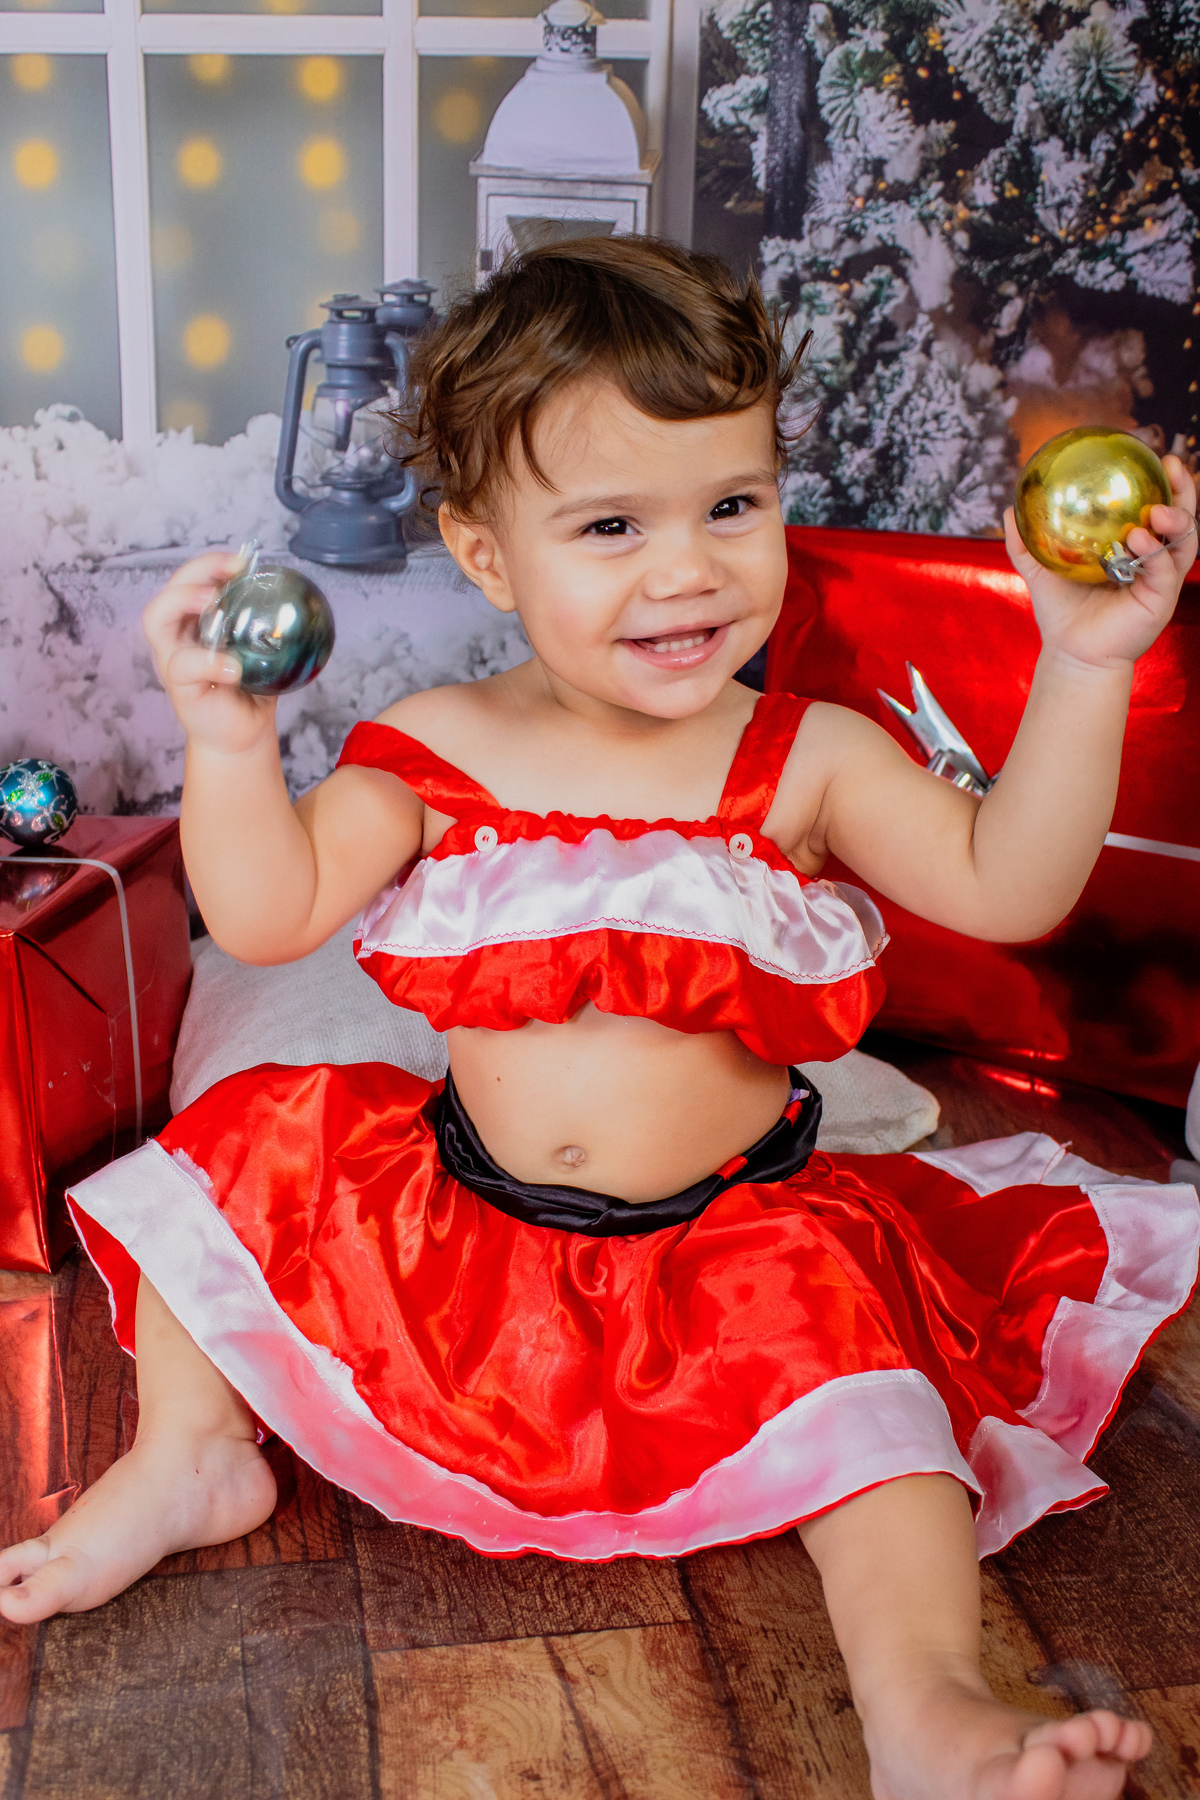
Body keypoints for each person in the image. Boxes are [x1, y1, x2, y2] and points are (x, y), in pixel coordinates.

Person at [3, 237, 1196, 1800]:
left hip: (738, 1247)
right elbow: (271, 913)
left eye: (732, 506)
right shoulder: (433, 746)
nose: (688, 569)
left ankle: (930, 1705)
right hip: (461, 1233)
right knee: (234, 1150)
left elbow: (1010, 885)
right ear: (487, 553)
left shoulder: (810, 755)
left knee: (883, 1430)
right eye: (613, 526)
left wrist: (1086, 664)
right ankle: (189, 1455)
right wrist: (229, 743)